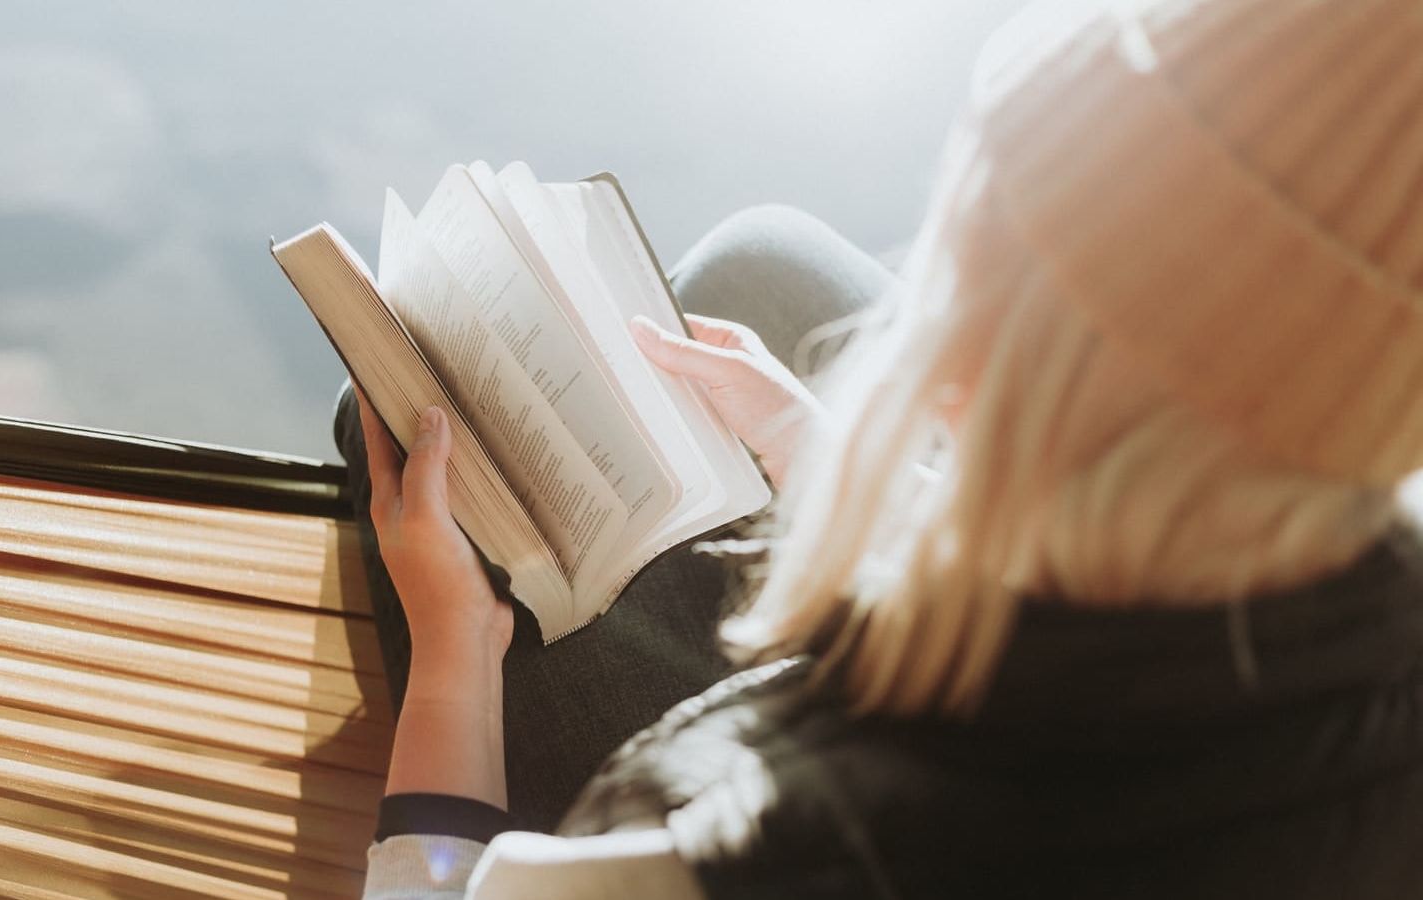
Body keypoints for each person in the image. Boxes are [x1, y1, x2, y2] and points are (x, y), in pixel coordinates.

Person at [342, 0, 1423, 896]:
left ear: (969, 363)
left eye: (955, 258)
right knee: (766, 262)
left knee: (391, 420)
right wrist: (813, 454)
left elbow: (439, 886)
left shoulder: (711, 858)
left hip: (809, 784)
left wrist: (452, 655)